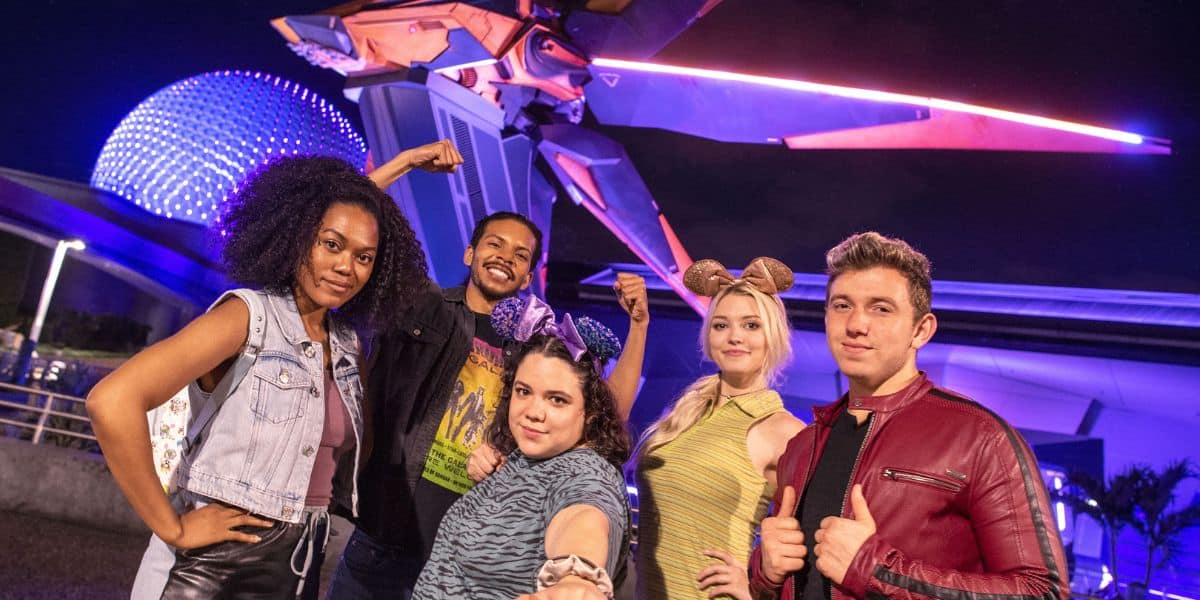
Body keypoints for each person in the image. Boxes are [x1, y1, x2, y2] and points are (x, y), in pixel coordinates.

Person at [88, 144, 459, 599]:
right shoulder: (247, 317)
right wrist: (172, 527)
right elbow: (111, 400)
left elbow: (348, 216)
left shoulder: (345, 345)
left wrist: (400, 168)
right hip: (211, 567)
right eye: (330, 246)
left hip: (301, 561)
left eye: (365, 258)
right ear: (294, 237)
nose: (346, 266)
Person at [327, 212, 648, 598]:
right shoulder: (423, 309)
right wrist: (405, 162)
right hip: (385, 542)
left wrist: (639, 325)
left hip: (469, 559)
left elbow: (605, 414)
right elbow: (356, 240)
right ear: (470, 254)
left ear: (529, 277)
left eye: (520, 254)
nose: (505, 257)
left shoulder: (536, 346)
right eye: (495, 244)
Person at [750, 232, 1070, 600]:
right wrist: (764, 571)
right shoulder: (803, 447)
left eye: (881, 308)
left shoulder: (982, 437)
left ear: (921, 330)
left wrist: (877, 571)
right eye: (841, 305)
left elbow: (1041, 592)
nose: (855, 324)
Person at [413, 297, 631, 599]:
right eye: (524, 391)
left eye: (557, 399)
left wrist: (576, 578)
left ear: (590, 411)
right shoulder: (528, 458)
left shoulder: (586, 474)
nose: (533, 411)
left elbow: (583, 516)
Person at [634, 257, 806, 600]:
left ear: (772, 336)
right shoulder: (688, 410)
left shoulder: (784, 430)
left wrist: (756, 585)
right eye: (721, 325)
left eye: (751, 325)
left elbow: (809, 545)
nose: (735, 337)